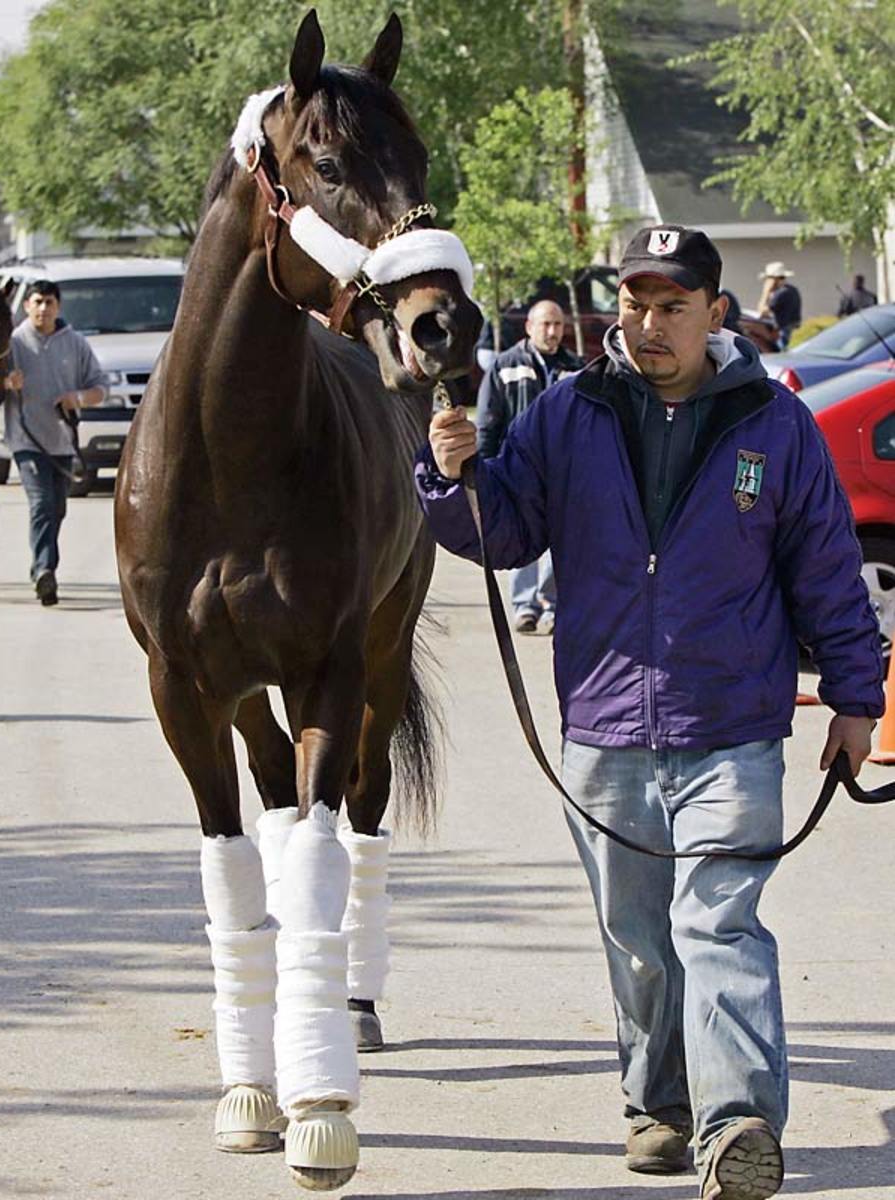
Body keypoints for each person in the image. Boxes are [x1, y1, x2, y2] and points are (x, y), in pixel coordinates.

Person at [416, 224, 883, 1200]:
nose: (649, 324)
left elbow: (827, 570)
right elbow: (506, 532)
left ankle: (737, 1123)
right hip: (605, 727)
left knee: (720, 926)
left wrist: (855, 699)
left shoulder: (774, 422)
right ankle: (658, 1105)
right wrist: (452, 477)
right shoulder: (567, 411)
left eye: (673, 306)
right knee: (638, 942)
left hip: (731, 727)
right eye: (634, 305)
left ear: (716, 313)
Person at [476, 299, 582, 635]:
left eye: (558, 325)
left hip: (563, 472)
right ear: (529, 327)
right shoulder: (505, 365)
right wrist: (484, 471)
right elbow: (487, 422)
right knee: (523, 537)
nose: (552, 331)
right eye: (545, 324)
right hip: (517, 470)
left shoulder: (576, 368)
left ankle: (551, 605)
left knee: (558, 542)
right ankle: (524, 607)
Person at [5, 280, 107, 606]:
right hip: (26, 440)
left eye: (49, 302)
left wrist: (78, 398)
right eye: (37, 302)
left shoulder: (75, 343)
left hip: (62, 442)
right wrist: (7, 383)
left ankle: (42, 566)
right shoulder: (12, 343)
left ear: (58, 307)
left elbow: (101, 387)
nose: (43, 308)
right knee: (42, 503)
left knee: (58, 509)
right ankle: (44, 571)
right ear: (26, 306)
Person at [757, 262, 802, 348]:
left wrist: (766, 292)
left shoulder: (782, 293)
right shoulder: (792, 290)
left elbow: (762, 311)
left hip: (783, 331)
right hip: (791, 328)